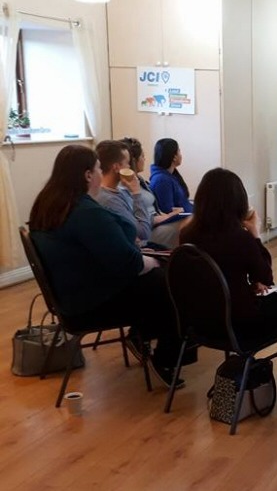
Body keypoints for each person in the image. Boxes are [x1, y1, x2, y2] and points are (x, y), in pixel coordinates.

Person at [28, 145, 184, 388]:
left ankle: (143, 337)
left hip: (69, 296)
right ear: (88, 175)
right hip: (89, 303)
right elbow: (129, 263)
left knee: (159, 276)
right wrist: (152, 260)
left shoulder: (48, 204)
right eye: (98, 168)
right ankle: (166, 358)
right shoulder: (85, 212)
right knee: (168, 281)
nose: (101, 173)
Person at [179, 168, 277, 404]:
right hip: (237, 327)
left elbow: (214, 276)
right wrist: (255, 234)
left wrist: (243, 286)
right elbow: (266, 277)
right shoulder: (240, 238)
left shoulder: (187, 236)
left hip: (198, 324)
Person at [122, 137, 186, 248]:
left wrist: (171, 215)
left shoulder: (140, 181)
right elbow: (142, 219)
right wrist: (170, 216)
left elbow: (156, 210)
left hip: (158, 223)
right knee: (189, 224)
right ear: (134, 160)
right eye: (142, 156)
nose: (145, 158)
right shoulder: (126, 187)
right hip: (149, 231)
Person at [95, 140, 152, 244]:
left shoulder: (122, 191)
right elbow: (143, 233)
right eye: (127, 163)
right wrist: (136, 193)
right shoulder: (109, 200)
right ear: (116, 167)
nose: (130, 167)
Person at [150, 138, 194, 215]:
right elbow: (168, 211)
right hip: (183, 220)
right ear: (174, 157)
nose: (181, 155)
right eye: (179, 151)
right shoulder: (162, 180)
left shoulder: (170, 176)